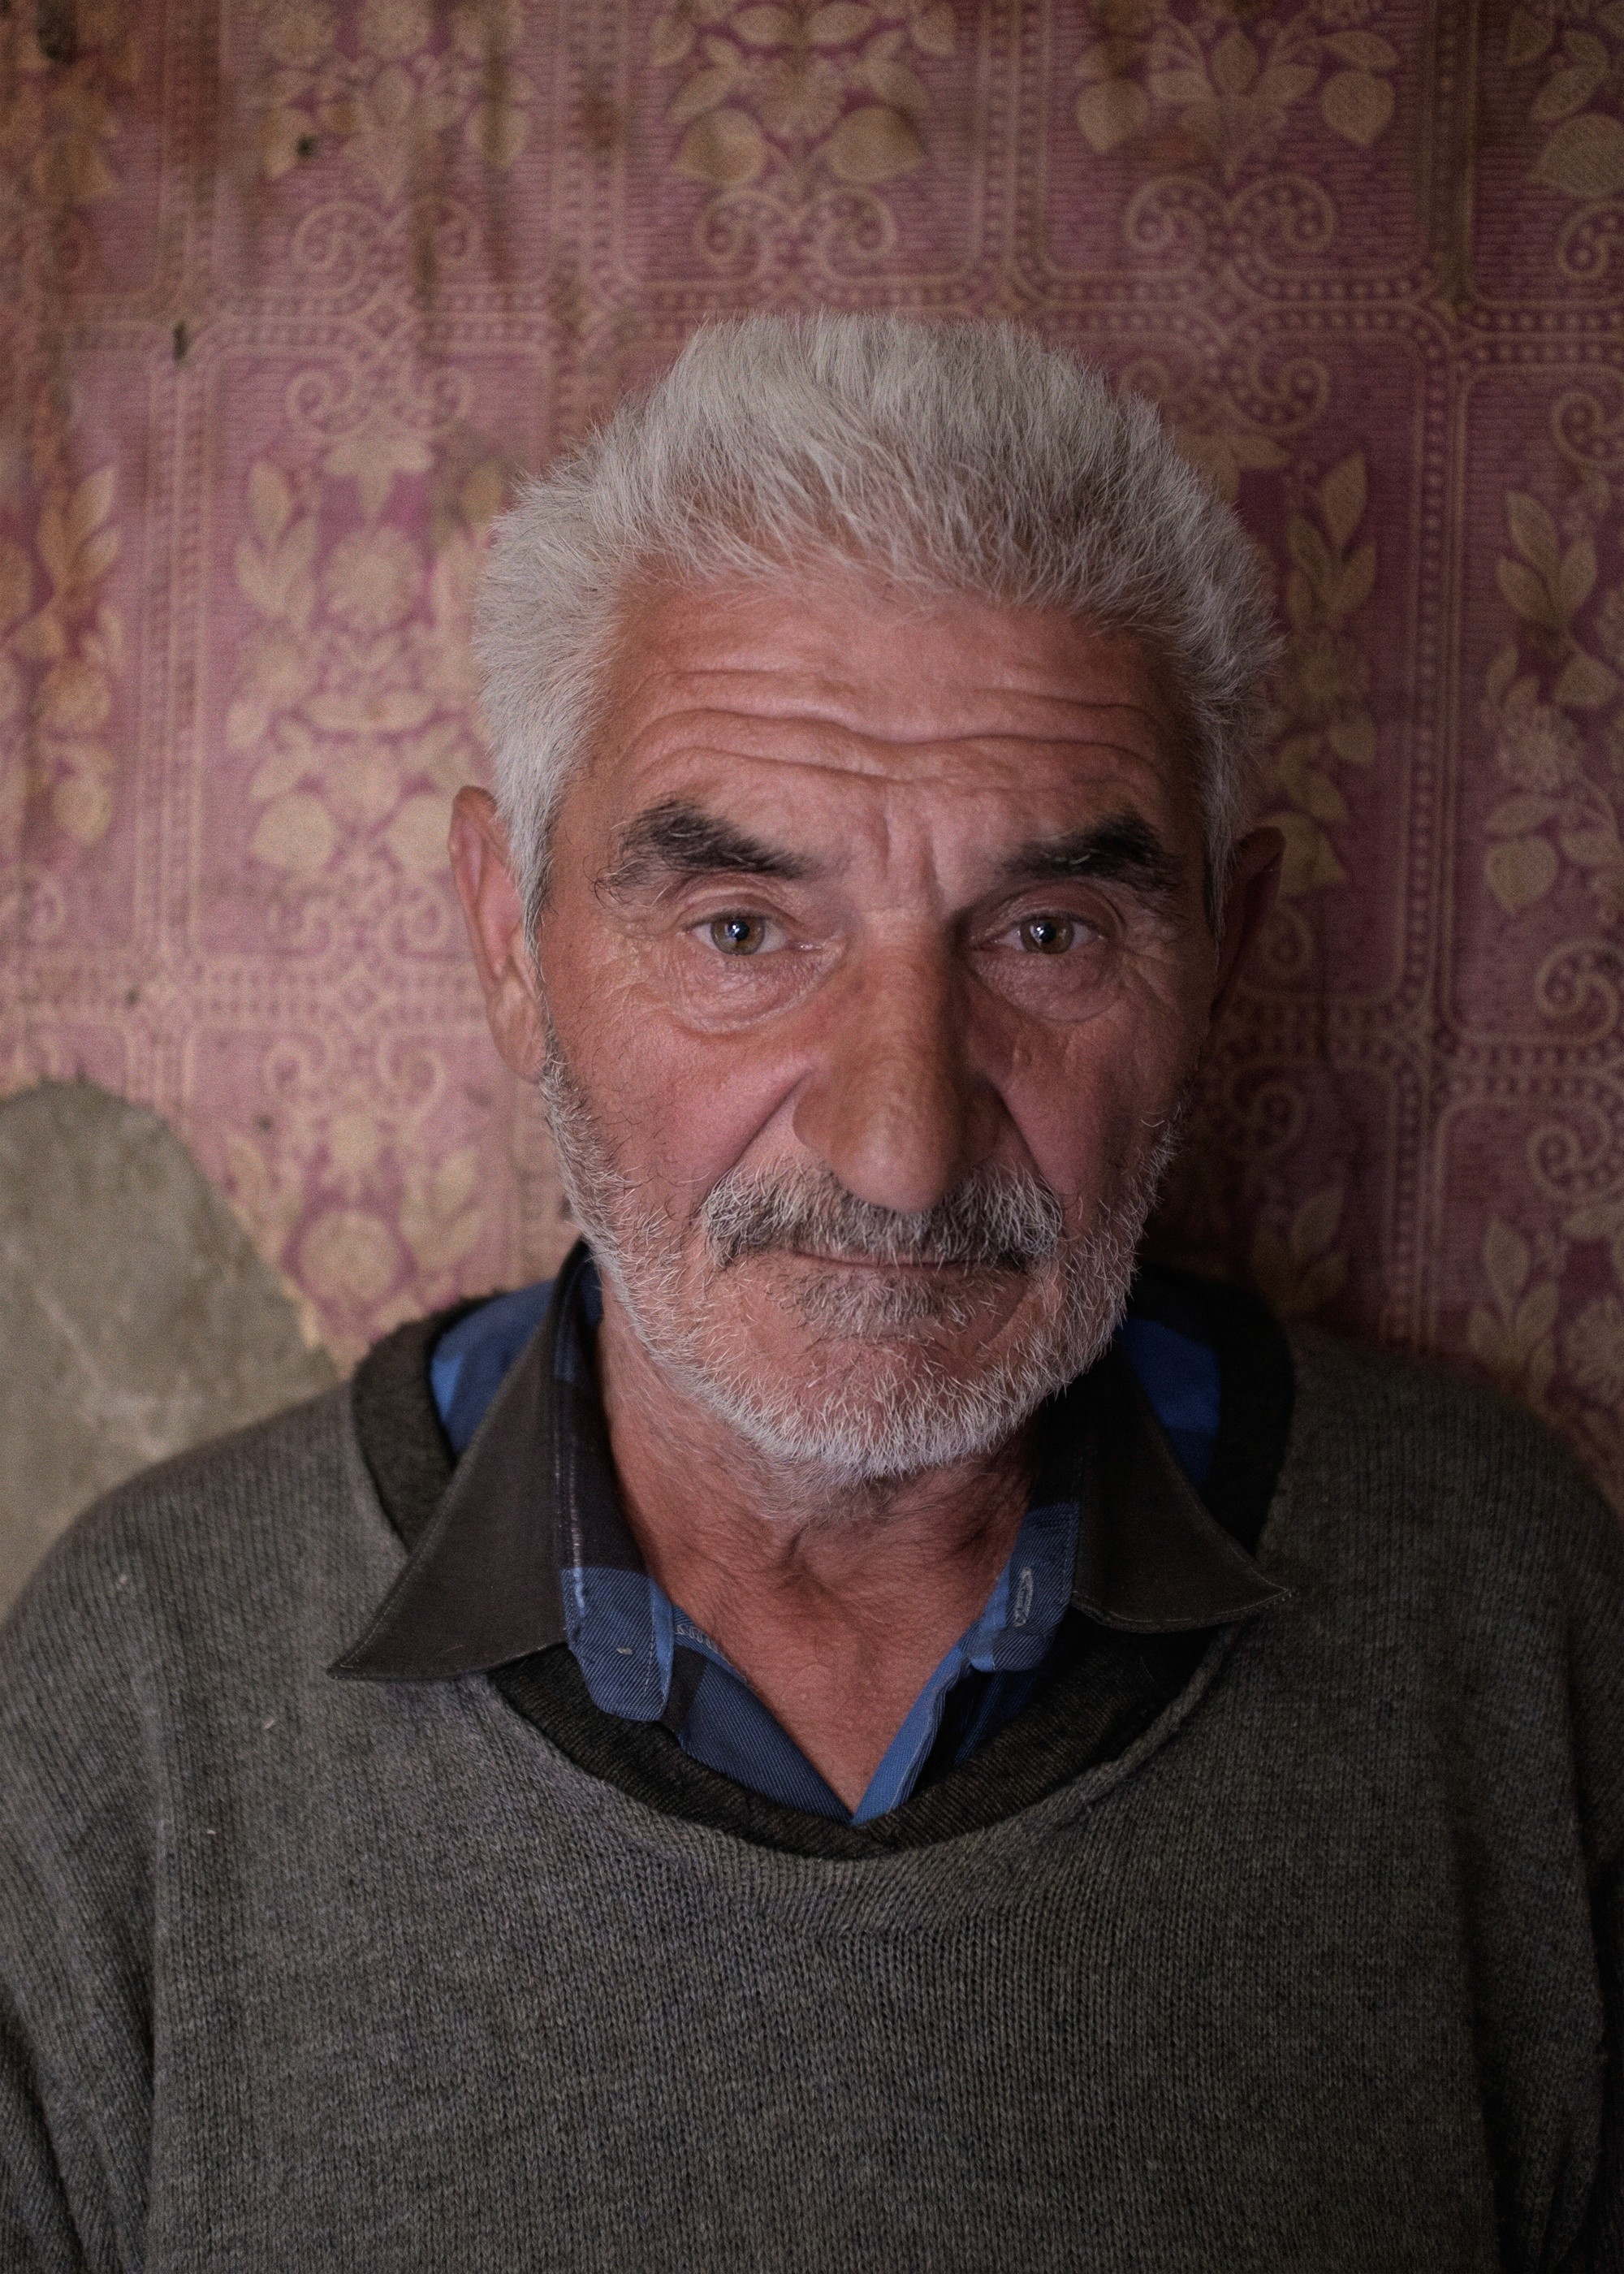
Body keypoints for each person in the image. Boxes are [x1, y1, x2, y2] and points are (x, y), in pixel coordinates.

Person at [2, 315, 1619, 2272]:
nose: (902, 1148)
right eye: (743, 927)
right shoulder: (141, 1685)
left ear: (1219, 953)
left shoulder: (1501, 1606)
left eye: (1044, 931)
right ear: (506, 951)